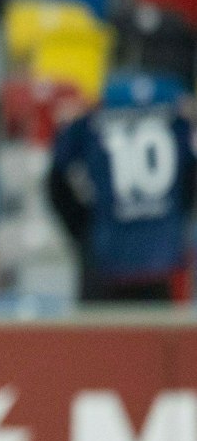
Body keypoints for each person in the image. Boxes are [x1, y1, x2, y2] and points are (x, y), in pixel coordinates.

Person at [46, 93, 196, 303]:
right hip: (157, 260)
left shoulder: (91, 121)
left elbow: (56, 180)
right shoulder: (177, 121)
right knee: (153, 331)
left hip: (107, 260)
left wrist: (84, 229)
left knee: (101, 332)